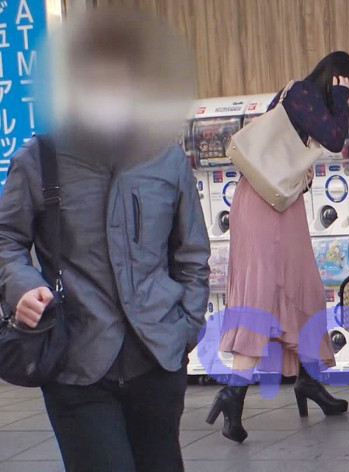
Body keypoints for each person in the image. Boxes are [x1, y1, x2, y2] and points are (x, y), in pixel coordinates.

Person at [0, 10, 207, 472]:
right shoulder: (39, 160)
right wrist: (21, 286)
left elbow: (191, 253)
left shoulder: (167, 158)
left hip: (158, 359)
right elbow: (6, 239)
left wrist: (186, 328)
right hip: (76, 363)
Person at [208, 51, 349, 443]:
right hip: (263, 205)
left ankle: (309, 381)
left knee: (304, 289)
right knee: (260, 296)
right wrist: (341, 99)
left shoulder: (304, 102)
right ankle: (233, 394)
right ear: (335, 78)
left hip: (283, 202)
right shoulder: (301, 93)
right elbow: (334, 139)